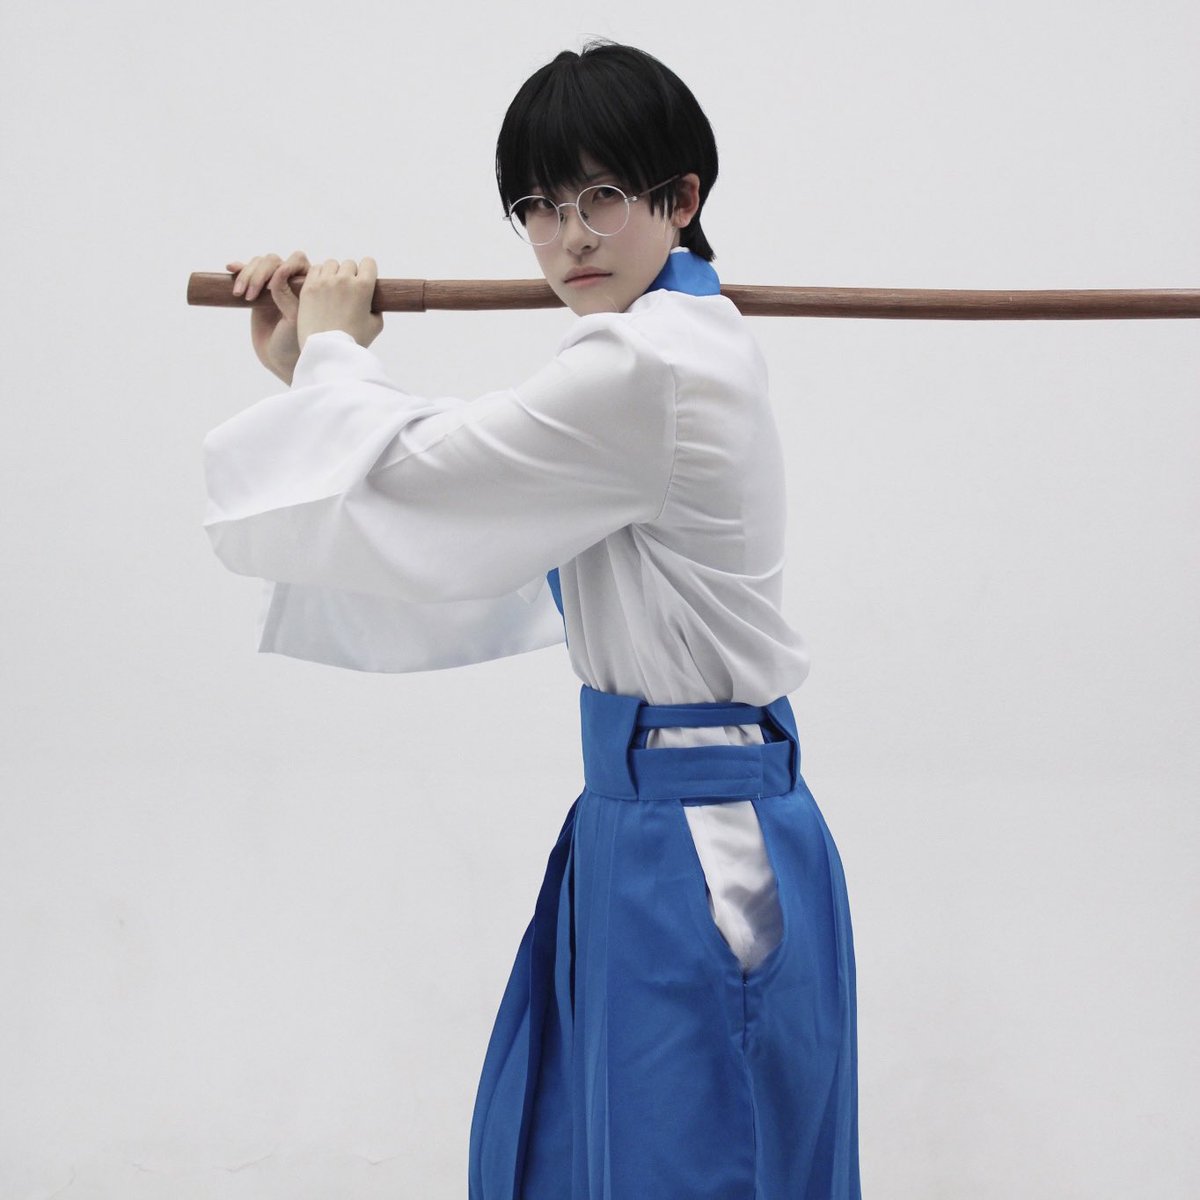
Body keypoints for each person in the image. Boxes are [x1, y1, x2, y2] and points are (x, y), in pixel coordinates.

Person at [204, 40, 860, 1200]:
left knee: (687, 1171)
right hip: (649, 817)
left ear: (682, 198)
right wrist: (314, 370)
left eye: (602, 196)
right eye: (540, 208)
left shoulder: (650, 361)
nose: (571, 239)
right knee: (588, 1161)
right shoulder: (669, 347)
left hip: (699, 836)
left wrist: (335, 355)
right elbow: (486, 489)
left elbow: (434, 478)